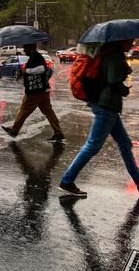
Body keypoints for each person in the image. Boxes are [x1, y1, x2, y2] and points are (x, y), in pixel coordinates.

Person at [59, 40, 139, 197]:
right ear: (123, 40)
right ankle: (67, 181)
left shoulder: (106, 51)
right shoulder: (115, 54)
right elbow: (113, 80)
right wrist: (125, 90)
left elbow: (107, 75)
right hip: (106, 104)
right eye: (132, 40)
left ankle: (138, 180)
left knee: (125, 144)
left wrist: (124, 70)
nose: (133, 42)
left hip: (105, 104)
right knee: (92, 145)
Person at [1, 43, 64, 142]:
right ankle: (58, 133)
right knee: (48, 112)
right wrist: (21, 73)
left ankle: (14, 130)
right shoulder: (33, 57)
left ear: (31, 48)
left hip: (36, 91)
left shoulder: (37, 57)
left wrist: (26, 71)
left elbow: (41, 69)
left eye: (25, 48)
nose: (24, 50)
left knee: (24, 110)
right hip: (42, 90)